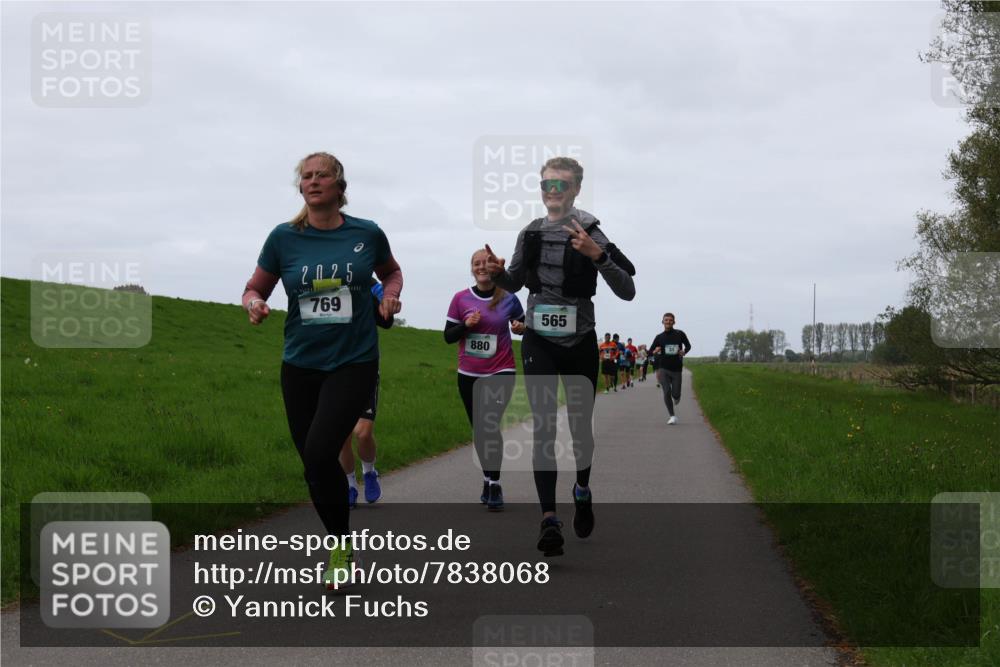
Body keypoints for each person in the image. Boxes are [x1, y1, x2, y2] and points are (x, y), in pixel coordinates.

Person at [243, 151, 402, 589]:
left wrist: (389, 296)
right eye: (306, 176)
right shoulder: (283, 238)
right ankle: (341, 543)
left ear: (339, 186)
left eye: (322, 175)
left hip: (353, 360)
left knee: (319, 451)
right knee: (312, 464)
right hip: (300, 362)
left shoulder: (366, 234)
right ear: (301, 187)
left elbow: (391, 273)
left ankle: (337, 552)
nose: (313, 181)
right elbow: (255, 286)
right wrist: (254, 303)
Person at [485, 156, 635, 556]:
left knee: (580, 429)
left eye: (561, 185)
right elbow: (515, 281)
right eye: (547, 185)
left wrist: (596, 255)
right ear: (541, 190)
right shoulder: (530, 233)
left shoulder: (591, 230)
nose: (553, 192)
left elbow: (628, 289)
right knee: (545, 429)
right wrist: (499, 273)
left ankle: (582, 489)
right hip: (539, 340)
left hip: (581, 340)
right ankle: (549, 519)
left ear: (575, 190)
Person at [445, 249, 526, 510]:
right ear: (472, 269)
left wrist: (521, 328)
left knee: (489, 425)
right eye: (476, 264)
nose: (482, 267)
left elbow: (523, 326)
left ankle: (495, 484)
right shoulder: (460, 299)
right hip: (469, 373)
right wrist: (466, 325)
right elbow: (448, 336)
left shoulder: (509, 298)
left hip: (501, 370)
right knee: (479, 429)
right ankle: (487, 478)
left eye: (486, 263)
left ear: (494, 268)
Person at [341, 280, 394, 508]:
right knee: (341, 437)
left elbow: (386, 320)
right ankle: (350, 484)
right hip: (332, 369)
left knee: (363, 433)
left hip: (364, 367)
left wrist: (386, 304)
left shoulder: (370, 284)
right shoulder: (323, 281)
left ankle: (369, 472)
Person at [649, 313, 692, 425]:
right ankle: (672, 416)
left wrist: (684, 352)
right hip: (663, 368)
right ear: (662, 322)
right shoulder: (659, 337)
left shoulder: (680, 334)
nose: (668, 322)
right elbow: (650, 351)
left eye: (670, 320)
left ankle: (676, 397)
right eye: (666, 320)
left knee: (676, 394)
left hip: (677, 368)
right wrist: (655, 351)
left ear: (674, 322)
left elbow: (688, 346)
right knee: (666, 391)